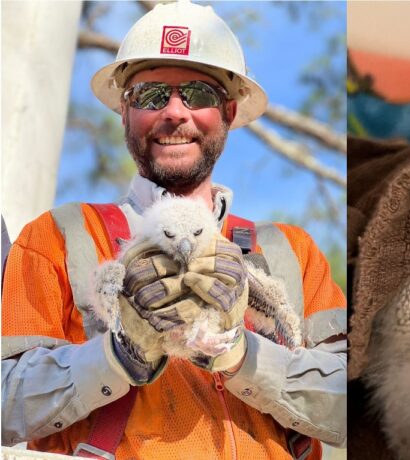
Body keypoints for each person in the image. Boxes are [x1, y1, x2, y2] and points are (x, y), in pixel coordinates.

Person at [1, 1, 346, 459]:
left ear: (228, 109)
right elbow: (7, 404)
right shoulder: (58, 237)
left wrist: (239, 356)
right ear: (124, 111)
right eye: (150, 95)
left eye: (199, 94)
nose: (175, 113)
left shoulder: (291, 252)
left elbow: (351, 405)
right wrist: (119, 355)